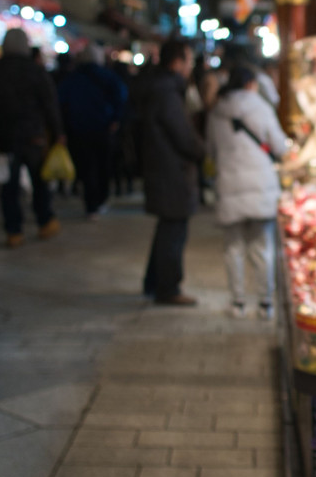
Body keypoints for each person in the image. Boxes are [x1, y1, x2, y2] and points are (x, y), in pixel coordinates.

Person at [206, 64, 289, 318]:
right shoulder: (261, 107)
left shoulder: (216, 113)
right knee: (262, 247)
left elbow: (211, 150)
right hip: (260, 185)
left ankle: (238, 303)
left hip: (229, 184)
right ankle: (265, 304)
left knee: (233, 248)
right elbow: (280, 146)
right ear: (251, 84)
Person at [0, 27, 63, 248]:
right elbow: (49, 103)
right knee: (39, 180)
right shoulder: (35, 71)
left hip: (5, 137)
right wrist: (57, 131)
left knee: (9, 186)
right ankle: (44, 220)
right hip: (33, 135)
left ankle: (14, 230)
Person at [141, 39, 204, 306]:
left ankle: (154, 282)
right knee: (174, 229)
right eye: (188, 60)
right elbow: (181, 134)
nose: (190, 66)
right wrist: (201, 150)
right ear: (177, 62)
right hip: (171, 170)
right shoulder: (168, 92)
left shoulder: (161, 88)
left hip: (163, 167)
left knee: (168, 226)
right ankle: (168, 288)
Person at [57, 43, 127, 219]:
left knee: (87, 166)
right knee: (103, 164)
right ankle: (100, 199)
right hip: (102, 127)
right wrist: (115, 119)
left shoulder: (74, 78)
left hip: (79, 128)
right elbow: (121, 96)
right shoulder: (107, 77)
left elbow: (61, 100)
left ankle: (91, 203)